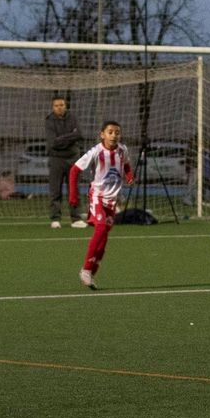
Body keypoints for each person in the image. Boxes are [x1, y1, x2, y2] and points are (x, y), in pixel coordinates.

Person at [68, 121, 134, 289]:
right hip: (97, 196)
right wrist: (73, 195)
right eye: (110, 132)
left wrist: (129, 175)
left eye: (117, 132)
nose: (114, 135)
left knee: (104, 237)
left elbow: (126, 164)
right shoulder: (96, 152)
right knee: (101, 228)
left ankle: (91, 272)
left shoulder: (122, 150)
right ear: (102, 134)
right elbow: (74, 170)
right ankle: (85, 270)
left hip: (112, 200)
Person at [45, 96, 87, 229]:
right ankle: (55, 219)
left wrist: (61, 139)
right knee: (55, 190)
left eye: (62, 105)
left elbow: (79, 134)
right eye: (56, 105)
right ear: (53, 107)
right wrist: (70, 137)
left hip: (73, 159)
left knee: (74, 189)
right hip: (56, 159)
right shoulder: (49, 120)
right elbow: (53, 142)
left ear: (65, 106)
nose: (59, 107)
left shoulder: (73, 117)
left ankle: (76, 219)